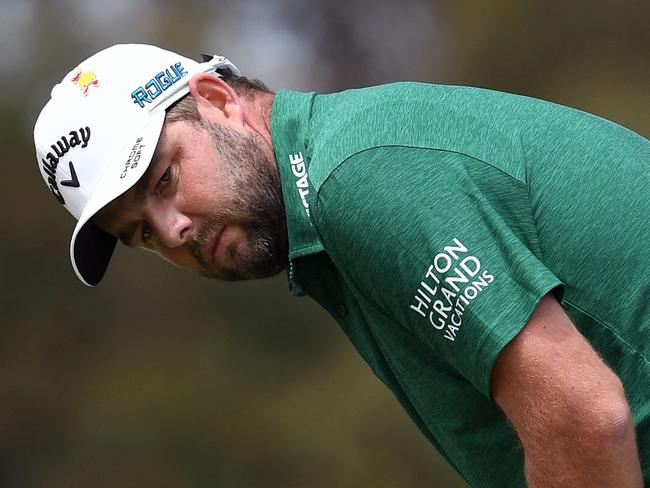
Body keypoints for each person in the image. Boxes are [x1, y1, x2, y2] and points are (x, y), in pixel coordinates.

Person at [34, 44, 649, 487]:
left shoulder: (355, 181)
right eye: (140, 232)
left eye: (165, 177)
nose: (173, 232)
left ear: (218, 100)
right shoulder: (333, 184)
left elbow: (584, 420)